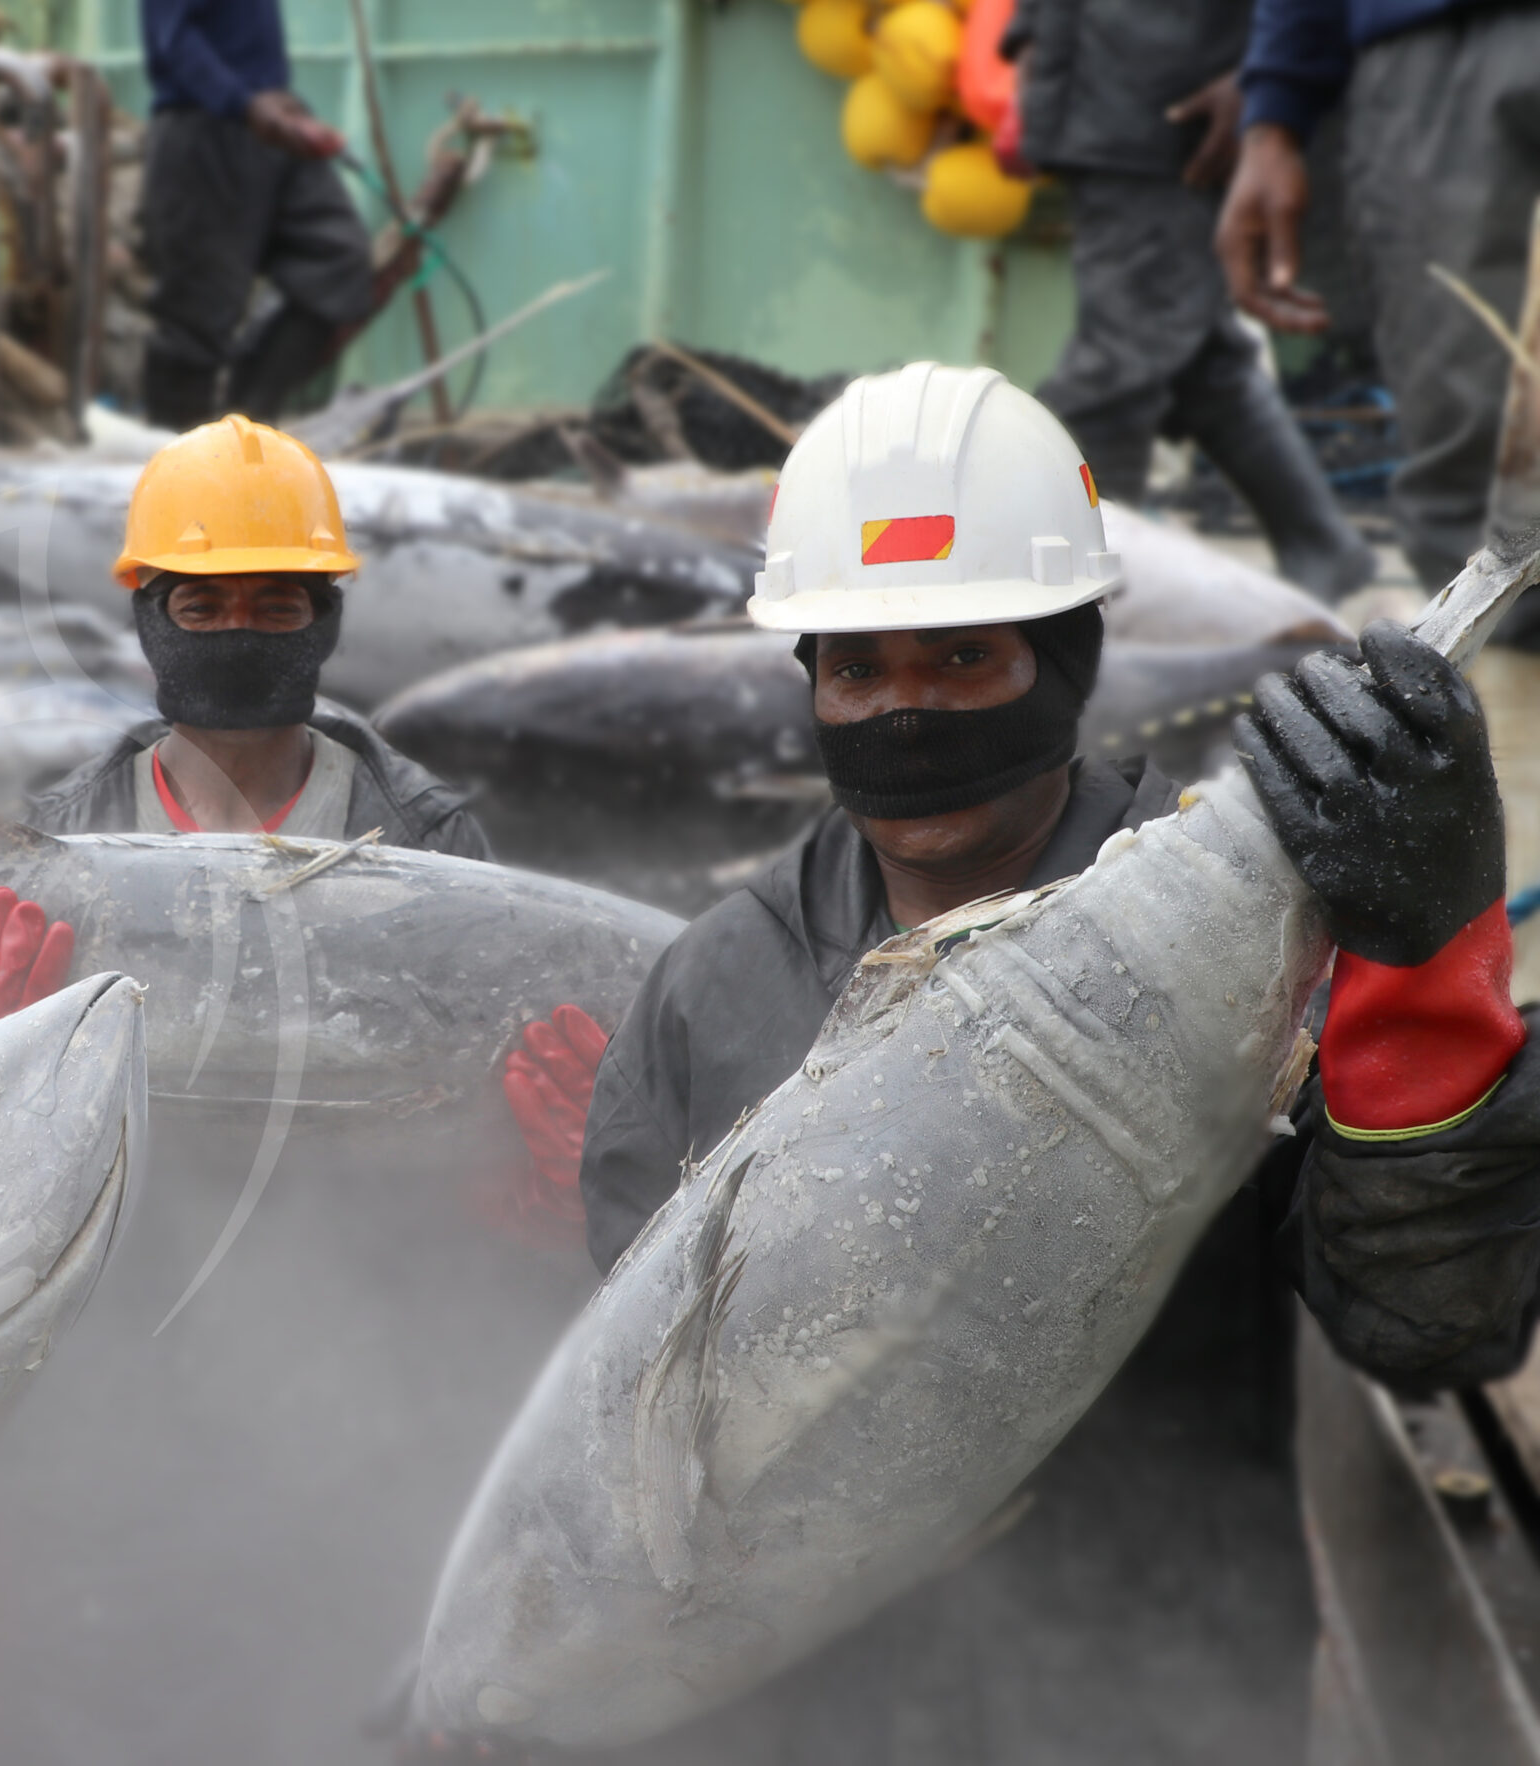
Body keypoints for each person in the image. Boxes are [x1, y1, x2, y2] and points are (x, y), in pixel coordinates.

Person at [497, 363, 1540, 1760]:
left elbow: (1430, 1323)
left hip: (1156, 1682)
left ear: (1067, 665)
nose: (908, 710)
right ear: (806, 679)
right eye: (860, 666)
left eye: (963, 658)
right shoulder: (718, 977)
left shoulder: (1239, 952)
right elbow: (653, 1418)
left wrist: (1428, 967)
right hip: (799, 1708)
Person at [1007, 0, 1377, 599]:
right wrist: (1032, 36)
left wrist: (1259, 79)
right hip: (1097, 103)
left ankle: (1077, 596)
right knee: (1200, 358)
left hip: (1174, 111)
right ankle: (1322, 545)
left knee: (1115, 370)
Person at [26, 415, 490, 857]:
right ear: (148, 622)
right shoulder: (58, 836)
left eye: (277, 609)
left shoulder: (430, 838)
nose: (238, 633)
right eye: (202, 609)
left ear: (325, 621)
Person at [1215, 0, 1540, 599]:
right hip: (1435, 49)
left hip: (1440, 62)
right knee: (1475, 461)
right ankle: (1496, 680)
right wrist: (1273, 115)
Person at [136, 0, 376, 428]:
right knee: (195, 320)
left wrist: (274, 102)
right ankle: (176, 473)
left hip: (270, 122)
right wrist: (241, 102)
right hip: (205, 127)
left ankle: (246, 425)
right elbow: (172, 35)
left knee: (340, 257)